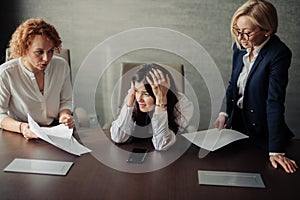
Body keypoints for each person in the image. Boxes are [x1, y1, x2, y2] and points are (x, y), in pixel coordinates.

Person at [214, 0, 298, 173]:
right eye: (237, 31)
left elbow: (274, 101)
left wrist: (276, 150)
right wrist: (224, 113)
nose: (240, 38)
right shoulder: (240, 47)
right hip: (237, 129)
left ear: (267, 30)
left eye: (247, 33)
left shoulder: (278, 54)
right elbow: (233, 84)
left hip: (262, 133)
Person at [0, 18, 74, 140]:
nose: (46, 58)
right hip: (20, 134)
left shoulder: (61, 66)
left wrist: (64, 115)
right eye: (39, 52)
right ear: (24, 49)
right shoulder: (6, 73)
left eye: (50, 51)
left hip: (55, 130)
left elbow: (66, 101)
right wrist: (22, 128)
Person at [110, 63, 193, 151]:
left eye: (146, 94)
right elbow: (118, 137)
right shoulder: (133, 96)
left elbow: (161, 145)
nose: (139, 99)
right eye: (137, 91)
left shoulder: (182, 104)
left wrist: (161, 100)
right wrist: (130, 98)